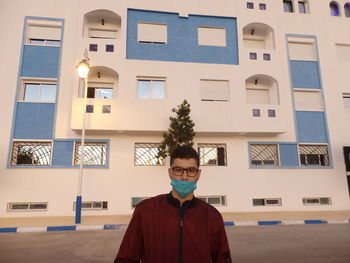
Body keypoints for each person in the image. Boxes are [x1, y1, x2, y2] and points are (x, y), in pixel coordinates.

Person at [115, 145, 232, 263]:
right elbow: (126, 258)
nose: (184, 177)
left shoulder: (212, 216)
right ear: (170, 172)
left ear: (198, 174)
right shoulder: (145, 211)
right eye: (178, 170)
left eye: (191, 170)